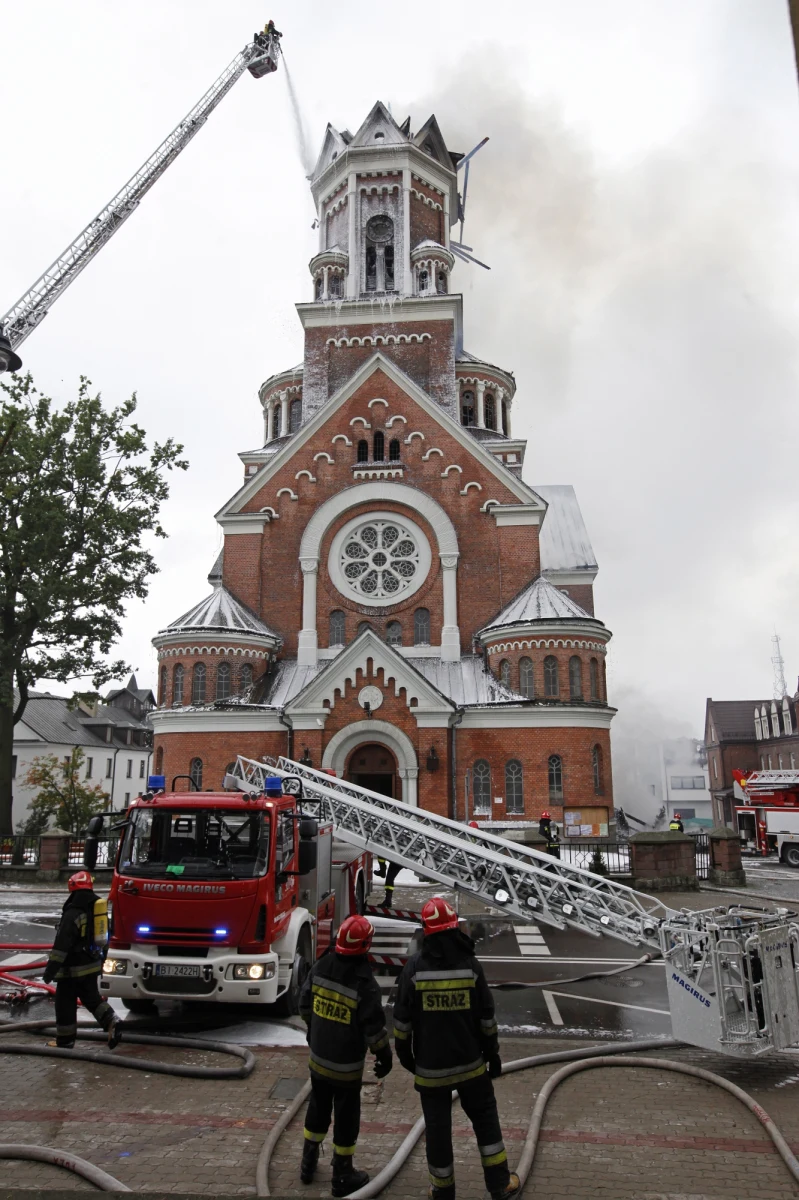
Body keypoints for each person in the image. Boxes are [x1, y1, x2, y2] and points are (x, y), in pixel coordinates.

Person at [393, 897, 520, 1200]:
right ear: (453, 927)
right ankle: (500, 1185)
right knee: (486, 1123)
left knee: (437, 1133)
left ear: (427, 931)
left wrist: (406, 1056)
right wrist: (493, 1055)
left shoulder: (413, 969)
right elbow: (486, 1019)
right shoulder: (470, 966)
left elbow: (401, 1023)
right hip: (471, 1066)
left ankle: (442, 1191)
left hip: (431, 1071)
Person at [298, 914, 392, 1196]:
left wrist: (316, 1032)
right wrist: (384, 1056)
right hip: (346, 1067)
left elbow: (304, 1004)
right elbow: (373, 1029)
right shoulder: (364, 982)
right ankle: (342, 1174)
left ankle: (307, 1163)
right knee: (347, 1115)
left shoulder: (321, 966)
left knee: (317, 1106)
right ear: (365, 944)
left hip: (318, 1060)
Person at [42, 871, 122, 1049]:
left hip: (71, 970)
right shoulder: (97, 909)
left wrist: (49, 972)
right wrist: (101, 962)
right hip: (91, 965)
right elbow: (105, 940)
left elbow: (61, 946)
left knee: (65, 1003)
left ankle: (65, 1041)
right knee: (92, 999)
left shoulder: (73, 913)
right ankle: (112, 1020)